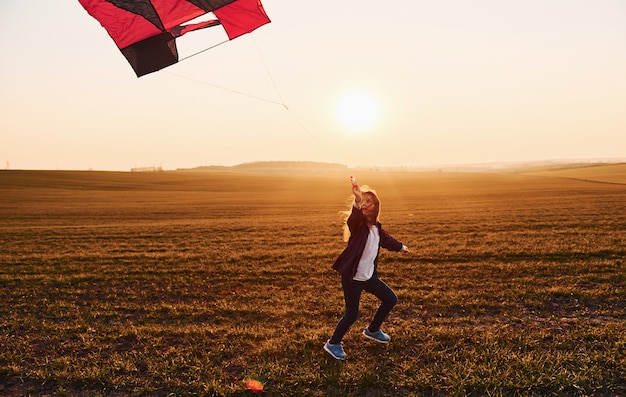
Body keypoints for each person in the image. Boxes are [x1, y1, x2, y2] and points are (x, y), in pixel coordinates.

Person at [324, 176, 409, 360]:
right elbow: (353, 219)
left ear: (376, 206)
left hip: (368, 277)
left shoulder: (376, 228)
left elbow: (387, 240)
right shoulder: (359, 226)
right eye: (363, 201)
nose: (365, 203)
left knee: (390, 298)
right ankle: (333, 343)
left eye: (369, 201)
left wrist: (401, 247)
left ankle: (372, 330)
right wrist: (357, 198)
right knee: (352, 314)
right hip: (353, 278)